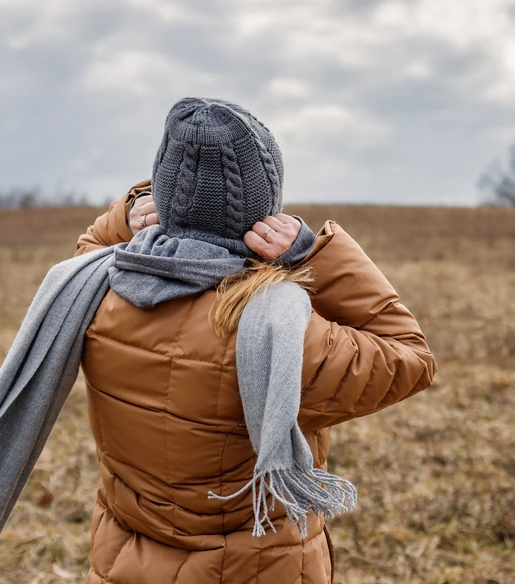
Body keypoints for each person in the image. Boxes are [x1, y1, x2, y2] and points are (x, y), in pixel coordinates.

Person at [73, 97, 437, 583]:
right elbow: (409, 356)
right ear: (264, 210)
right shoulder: (280, 331)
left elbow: (89, 249)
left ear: (164, 196)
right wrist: (314, 255)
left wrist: (128, 213)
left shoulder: (98, 294)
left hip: (125, 564)